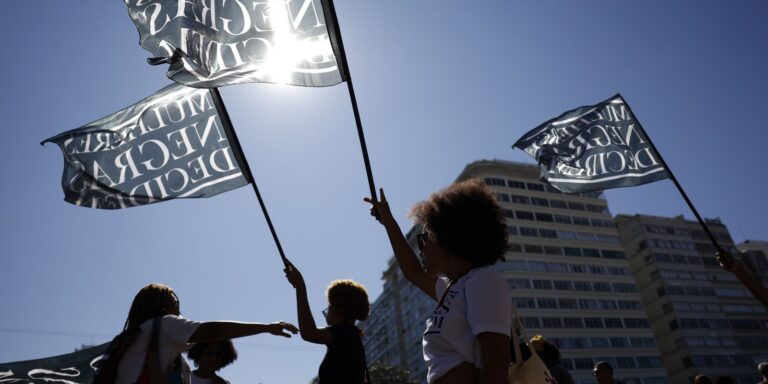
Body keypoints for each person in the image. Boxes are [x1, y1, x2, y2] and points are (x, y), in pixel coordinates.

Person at [366, 180, 511, 384]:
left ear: (447, 238)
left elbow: (497, 359)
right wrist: (388, 222)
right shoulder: (453, 288)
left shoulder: (483, 281)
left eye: (423, 240)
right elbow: (413, 273)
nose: (421, 250)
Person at [94, 283, 298, 384]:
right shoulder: (165, 325)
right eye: (174, 302)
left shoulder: (124, 340)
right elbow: (213, 331)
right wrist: (266, 327)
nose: (178, 307)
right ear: (164, 305)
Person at [283, 259, 369, 384]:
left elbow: (309, 333)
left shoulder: (344, 332)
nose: (326, 314)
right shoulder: (351, 337)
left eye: (328, 308)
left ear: (337, 309)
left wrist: (300, 286)